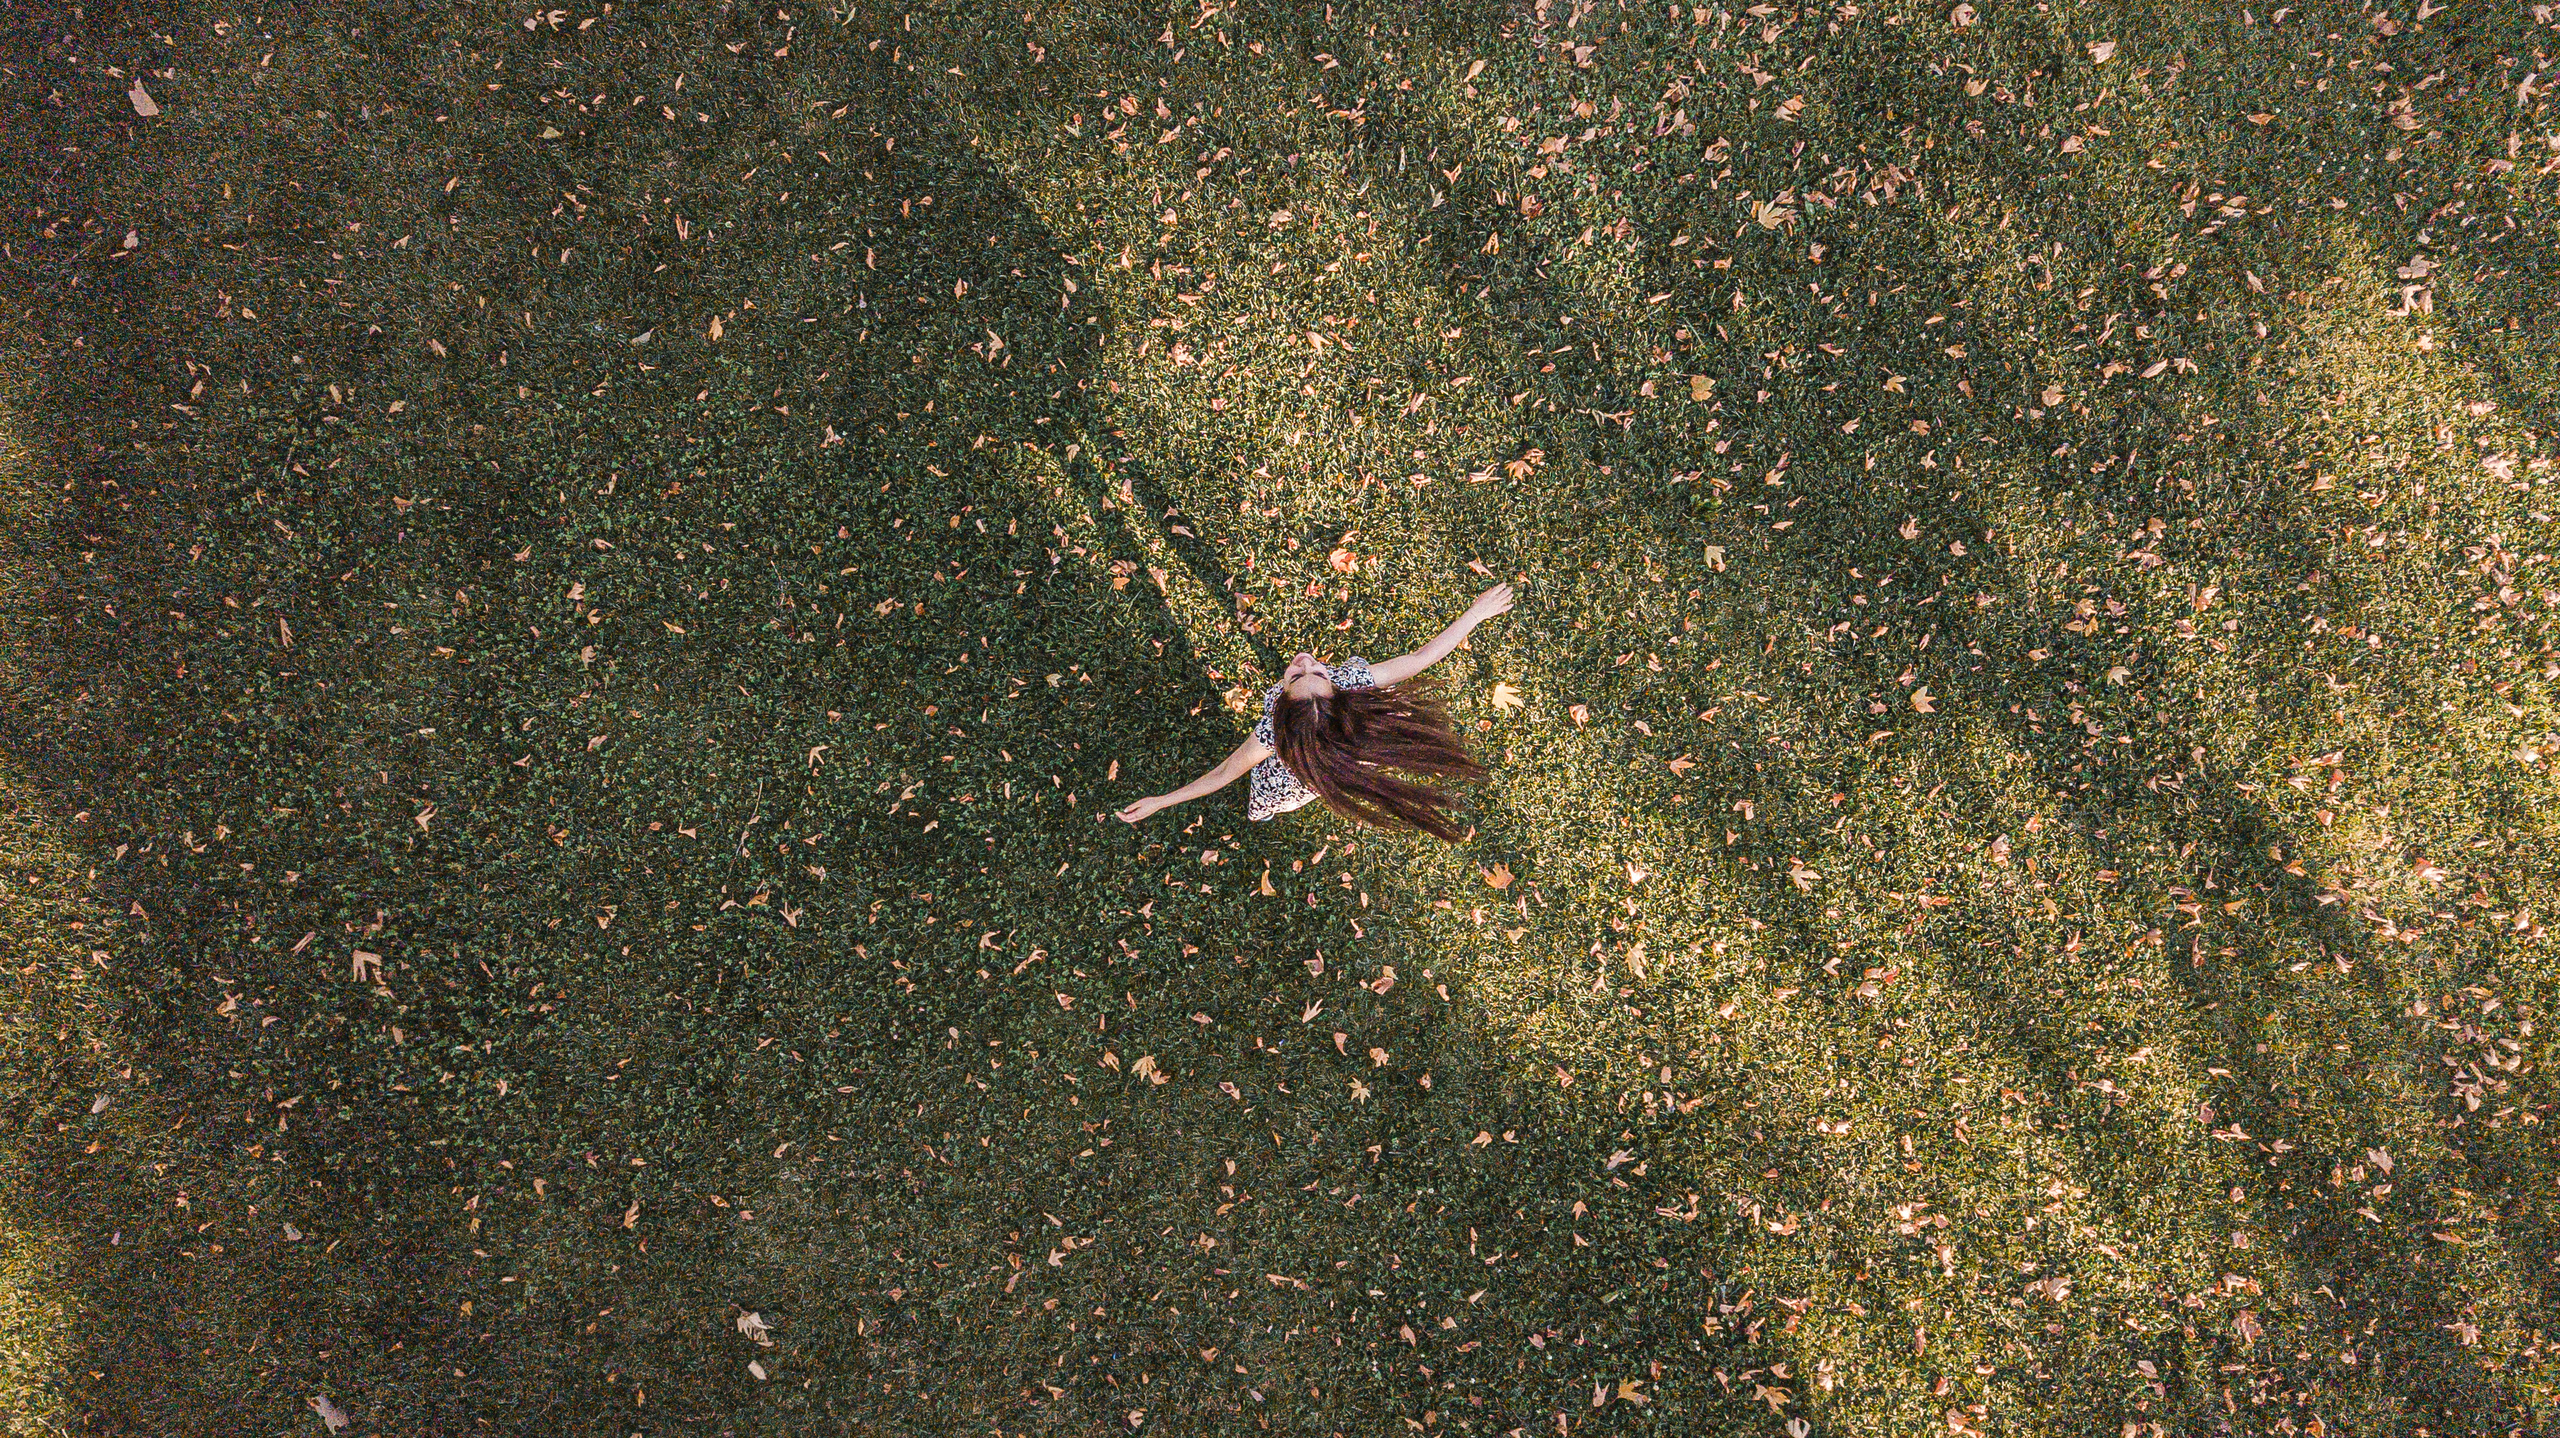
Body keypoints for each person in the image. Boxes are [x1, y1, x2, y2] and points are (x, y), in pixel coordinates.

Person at [1113, 583, 1517, 841]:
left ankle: (1278, 801)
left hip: (1296, 779)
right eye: (1311, 672)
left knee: (1283, 793)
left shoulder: (1289, 722)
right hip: (1308, 753)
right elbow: (1420, 658)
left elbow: (1223, 774)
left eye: (1301, 674)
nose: (1305, 661)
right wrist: (1475, 614)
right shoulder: (1342, 688)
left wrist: (1161, 801)